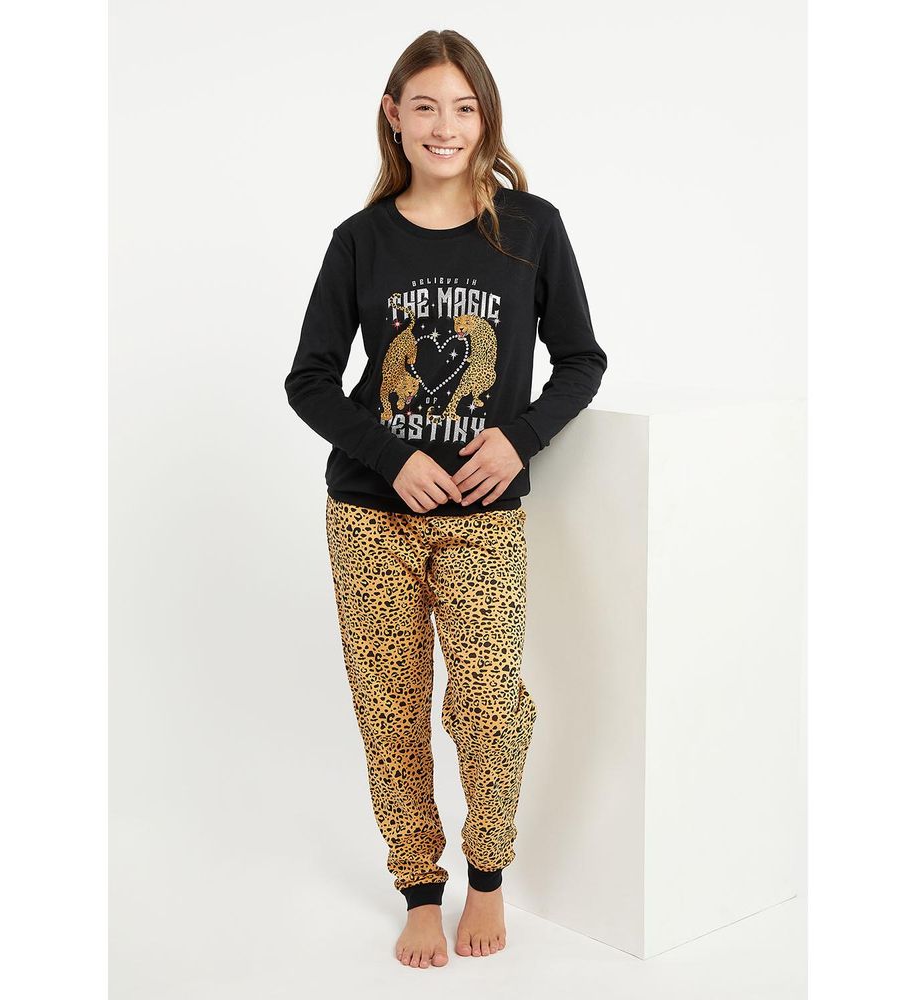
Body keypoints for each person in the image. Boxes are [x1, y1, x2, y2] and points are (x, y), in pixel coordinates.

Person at [284, 30, 607, 970]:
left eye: (464, 108)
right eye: (424, 106)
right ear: (393, 116)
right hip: (370, 517)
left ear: (486, 117)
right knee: (389, 709)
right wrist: (392, 458)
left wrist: (519, 438)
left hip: (484, 521)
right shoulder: (360, 240)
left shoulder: (531, 229)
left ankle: (488, 876)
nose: (445, 126)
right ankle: (419, 888)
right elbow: (310, 379)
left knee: (491, 704)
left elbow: (581, 360)